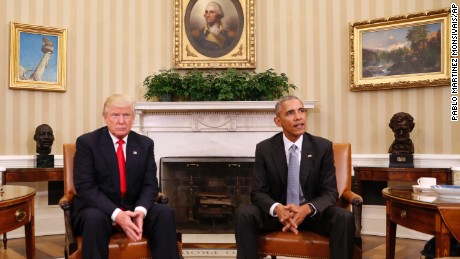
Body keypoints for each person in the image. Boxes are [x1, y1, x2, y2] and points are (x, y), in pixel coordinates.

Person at [234, 96, 355, 259]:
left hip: (311, 214)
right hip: (278, 215)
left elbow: (330, 192)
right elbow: (258, 192)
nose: (298, 117)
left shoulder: (322, 147)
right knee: (244, 214)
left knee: (344, 217)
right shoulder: (264, 149)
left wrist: (306, 209)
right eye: (290, 113)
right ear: (278, 121)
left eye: (301, 111)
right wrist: (278, 209)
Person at [71, 94, 180, 259]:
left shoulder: (145, 144)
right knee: (94, 218)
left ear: (133, 117)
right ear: (106, 117)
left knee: (164, 213)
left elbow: (150, 184)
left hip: (133, 207)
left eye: (126, 115)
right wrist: (117, 214)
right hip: (99, 210)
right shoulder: (87, 143)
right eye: (115, 115)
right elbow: (85, 187)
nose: (121, 121)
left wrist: (140, 211)